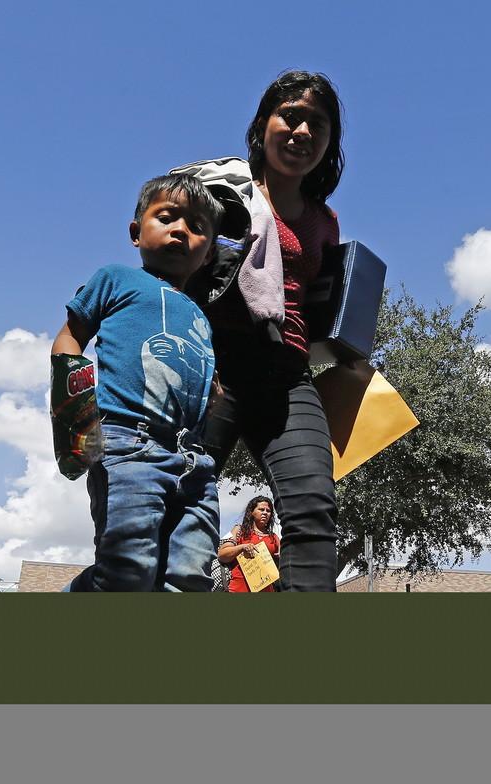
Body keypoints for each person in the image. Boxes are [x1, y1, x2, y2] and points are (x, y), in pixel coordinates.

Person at [181, 71, 345, 592]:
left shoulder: (324, 221)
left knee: (314, 507)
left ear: (330, 141)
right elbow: (172, 262)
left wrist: (351, 349)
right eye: (289, 116)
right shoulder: (224, 193)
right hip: (216, 363)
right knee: (181, 499)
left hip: (288, 374)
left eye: (316, 124)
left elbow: (319, 311)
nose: (301, 131)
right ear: (263, 125)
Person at [51, 174, 224, 591]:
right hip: (128, 445)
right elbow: (70, 336)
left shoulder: (201, 315)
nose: (181, 230)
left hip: (194, 460)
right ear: (135, 232)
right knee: (127, 571)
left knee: (190, 576)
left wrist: (212, 391)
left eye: (198, 227)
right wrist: (76, 415)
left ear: (208, 255)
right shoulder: (115, 279)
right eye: (167, 217)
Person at [219, 496, 281, 593]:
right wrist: (242, 547)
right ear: (251, 512)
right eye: (261, 509)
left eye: (268, 511)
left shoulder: (274, 538)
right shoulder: (238, 530)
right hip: (237, 589)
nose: (265, 512)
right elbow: (222, 555)